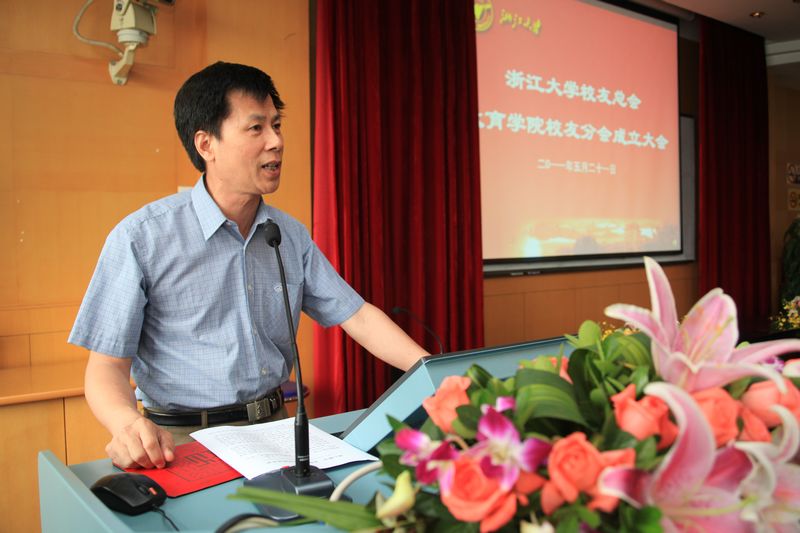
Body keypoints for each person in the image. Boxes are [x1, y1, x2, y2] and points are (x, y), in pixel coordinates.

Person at [69, 61, 428, 470]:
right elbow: (106, 367)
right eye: (256, 128)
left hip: (277, 427)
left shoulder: (289, 234)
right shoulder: (142, 237)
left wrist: (434, 374)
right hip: (184, 441)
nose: (276, 141)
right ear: (206, 144)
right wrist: (126, 423)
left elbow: (357, 316)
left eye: (277, 125)